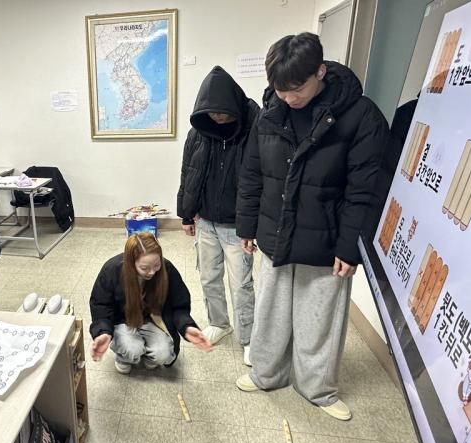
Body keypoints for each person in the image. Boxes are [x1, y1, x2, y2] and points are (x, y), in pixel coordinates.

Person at [235, 33, 388, 421]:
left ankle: (317, 388)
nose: (289, 97)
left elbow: (365, 190)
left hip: (327, 241)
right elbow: (252, 173)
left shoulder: (361, 116)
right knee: (270, 312)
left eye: (297, 88)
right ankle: (266, 373)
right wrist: (247, 226)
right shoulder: (270, 113)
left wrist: (350, 247)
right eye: (280, 89)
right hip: (275, 232)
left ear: (320, 71)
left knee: (319, 319)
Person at [177, 65, 258, 364]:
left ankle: (249, 338)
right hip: (206, 221)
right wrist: (187, 214)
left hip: (238, 226)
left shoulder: (254, 130)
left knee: (241, 284)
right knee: (209, 277)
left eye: (222, 112)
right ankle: (219, 323)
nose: (217, 118)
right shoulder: (199, 132)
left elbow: (261, 181)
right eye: (212, 113)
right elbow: (188, 173)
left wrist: (252, 226)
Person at [89, 233, 212, 373]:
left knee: (163, 353)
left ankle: (149, 357)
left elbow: (178, 305)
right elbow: (100, 305)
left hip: (152, 319)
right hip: (123, 320)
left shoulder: (167, 269)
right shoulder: (112, 270)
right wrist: (103, 332)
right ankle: (124, 358)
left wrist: (187, 327)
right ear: (131, 263)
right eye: (144, 268)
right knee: (132, 349)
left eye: (156, 265)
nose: (152, 272)